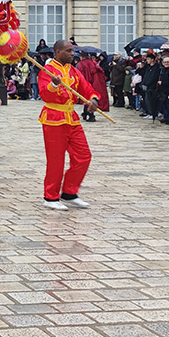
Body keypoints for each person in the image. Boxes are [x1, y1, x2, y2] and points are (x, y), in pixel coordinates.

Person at [37, 40, 100, 211]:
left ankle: (69, 192)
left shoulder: (74, 70)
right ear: (57, 52)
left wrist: (93, 99)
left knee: (84, 155)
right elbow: (44, 94)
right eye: (68, 51)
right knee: (56, 160)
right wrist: (53, 85)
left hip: (71, 118)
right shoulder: (47, 71)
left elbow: (86, 88)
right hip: (53, 119)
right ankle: (50, 196)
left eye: (73, 51)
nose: (73, 54)